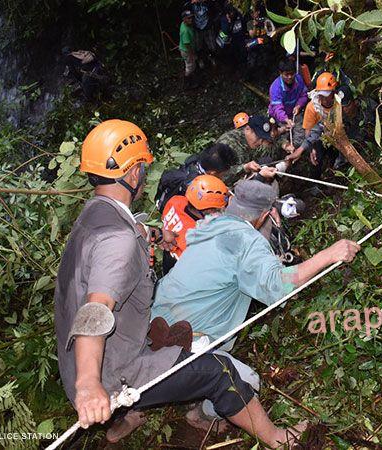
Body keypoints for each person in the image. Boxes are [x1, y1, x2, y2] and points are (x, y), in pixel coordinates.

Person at [53, 120, 306, 447]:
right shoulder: (119, 244)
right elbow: (97, 308)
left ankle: (123, 418)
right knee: (220, 371)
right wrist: (89, 384)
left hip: (73, 361)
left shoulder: (93, 215)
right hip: (108, 370)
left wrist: (159, 235)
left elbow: (130, 233)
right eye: (142, 167)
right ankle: (278, 440)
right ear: (133, 175)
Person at [152, 178, 360, 353]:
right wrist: (329, 254)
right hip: (183, 337)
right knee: (243, 384)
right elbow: (278, 285)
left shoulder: (209, 225)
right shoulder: (246, 241)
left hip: (155, 316)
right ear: (263, 215)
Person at [160, 174, 229, 275]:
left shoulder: (175, 200)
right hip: (181, 276)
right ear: (209, 210)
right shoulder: (197, 237)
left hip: (168, 263)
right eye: (217, 209)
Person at [284, 72, 339, 178]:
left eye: (327, 96)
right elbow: (309, 131)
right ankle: (316, 183)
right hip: (320, 137)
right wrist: (311, 149)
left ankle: (335, 172)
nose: (324, 100)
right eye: (321, 96)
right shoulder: (313, 107)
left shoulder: (339, 104)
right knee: (316, 157)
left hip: (338, 135)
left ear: (334, 92)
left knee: (334, 155)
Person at [154, 143, 237, 212]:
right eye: (223, 174)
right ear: (212, 173)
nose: (222, 177)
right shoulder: (197, 187)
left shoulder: (195, 161)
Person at [215, 115, 294, 184]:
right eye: (259, 137)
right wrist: (245, 167)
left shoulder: (253, 141)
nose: (260, 142)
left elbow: (271, 143)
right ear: (248, 129)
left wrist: (285, 144)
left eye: (263, 139)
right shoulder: (227, 145)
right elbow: (219, 176)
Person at [268, 58, 308, 129]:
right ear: (280, 73)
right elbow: (277, 108)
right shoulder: (275, 88)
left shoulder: (299, 79)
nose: (289, 77)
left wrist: (299, 105)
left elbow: (304, 95)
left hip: (293, 113)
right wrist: (286, 119)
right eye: (286, 75)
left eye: (292, 74)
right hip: (277, 116)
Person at [185, 0, 217, 68]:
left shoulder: (207, 3)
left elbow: (214, 7)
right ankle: (200, 60)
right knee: (198, 46)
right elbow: (184, 7)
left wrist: (206, 1)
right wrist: (192, 2)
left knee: (212, 46)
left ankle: (211, 57)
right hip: (197, 27)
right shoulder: (192, 4)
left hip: (207, 26)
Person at [217, 5, 247, 70]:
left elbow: (243, 23)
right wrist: (229, 22)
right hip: (232, 40)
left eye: (232, 12)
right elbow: (225, 31)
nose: (232, 14)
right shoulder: (224, 19)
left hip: (240, 37)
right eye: (230, 13)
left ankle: (243, 65)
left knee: (243, 52)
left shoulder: (238, 15)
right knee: (233, 53)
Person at [180, 11, 197, 80]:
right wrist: (192, 54)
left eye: (191, 17)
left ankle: (191, 75)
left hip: (186, 49)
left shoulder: (184, 24)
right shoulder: (185, 31)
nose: (191, 19)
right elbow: (187, 45)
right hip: (186, 51)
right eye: (188, 18)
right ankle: (188, 80)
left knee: (191, 64)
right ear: (184, 19)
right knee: (189, 66)